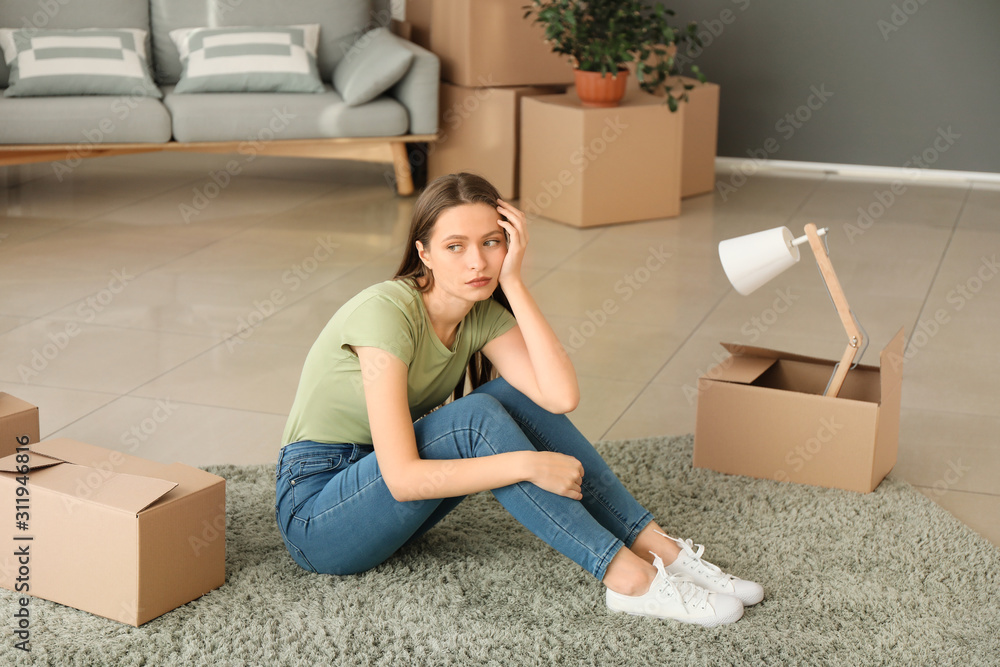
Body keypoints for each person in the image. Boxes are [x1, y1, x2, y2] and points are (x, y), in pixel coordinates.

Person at [276, 172, 763, 626]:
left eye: (491, 242)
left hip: (379, 505)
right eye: (455, 246)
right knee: (473, 419)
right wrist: (526, 465)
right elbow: (402, 479)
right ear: (423, 252)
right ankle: (628, 580)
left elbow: (559, 396)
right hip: (319, 516)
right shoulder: (386, 312)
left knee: (507, 395)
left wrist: (513, 281)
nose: (477, 262)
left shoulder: (480, 311)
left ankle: (662, 552)